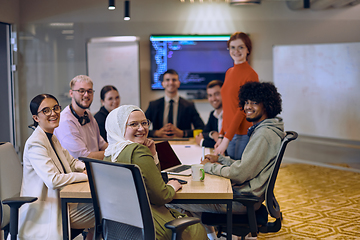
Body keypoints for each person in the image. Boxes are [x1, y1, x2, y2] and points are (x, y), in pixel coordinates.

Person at [172, 82, 285, 240]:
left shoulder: (264, 134)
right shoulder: (265, 130)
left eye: (254, 102)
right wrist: (221, 159)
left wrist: (209, 167)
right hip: (245, 196)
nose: (248, 107)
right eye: (246, 102)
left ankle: (206, 237)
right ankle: (211, 237)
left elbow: (239, 173)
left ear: (266, 104)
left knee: (173, 200)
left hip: (241, 200)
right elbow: (246, 165)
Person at [103, 105, 207, 240]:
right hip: (150, 225)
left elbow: (151, 181)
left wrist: (153, 155)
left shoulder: (110, 153)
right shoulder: (138, 151)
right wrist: (172, 187)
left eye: (144, 123)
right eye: (133, 124)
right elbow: (161, 196)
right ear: (120, 127)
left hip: (120, 226)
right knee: (197, 228)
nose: (141, 128)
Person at [18, 94, 94, 240]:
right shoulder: (35, 143)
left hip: (63, 202)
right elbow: (53, 180)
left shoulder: (51, 137)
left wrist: (89, 168)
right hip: (48, 210)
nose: (53, 113)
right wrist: (85, 176)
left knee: (104, 206)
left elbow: (72, 163)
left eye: (55, 108)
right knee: (106, 210)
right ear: (36, 118)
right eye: (46, 110)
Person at [214, 32, 259, 160]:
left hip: (241, 135)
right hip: (228, 133)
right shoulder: (229, 72)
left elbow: (244, 109)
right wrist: (222, 135)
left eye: (241, 47)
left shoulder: (251, 75)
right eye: (232, 47)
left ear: (248, 49)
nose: (236, 51)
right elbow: (228, 108)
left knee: (236, 176)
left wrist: (226, 140)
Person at [54, 75, 108, 160]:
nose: (86, 95)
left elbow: (102, 145)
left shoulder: (88, 114)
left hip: (94, 167)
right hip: (78, 171)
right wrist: (113, 153)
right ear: (71, 93)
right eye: (81, 91)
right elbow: (83, 157)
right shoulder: (65, 121)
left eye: (89, 91)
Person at [145, 69, 205, 138]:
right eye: (167, 80)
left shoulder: (189, 105)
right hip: (159, 143)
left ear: (178, 83)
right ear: (163, 84)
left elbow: (202, 129)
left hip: (183, 144)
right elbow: (140, 128)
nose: (171, 83)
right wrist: (156, 133)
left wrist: (183, 133)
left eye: (174, 80)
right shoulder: (153, 105)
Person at [195, 80, 223, 148]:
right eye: (210, 95)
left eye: (217, 94)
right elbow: (203, 134)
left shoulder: (231, 115)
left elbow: (223, 144)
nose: (213, 99)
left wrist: (202, 142)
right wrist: (212, 134)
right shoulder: (213, 114)